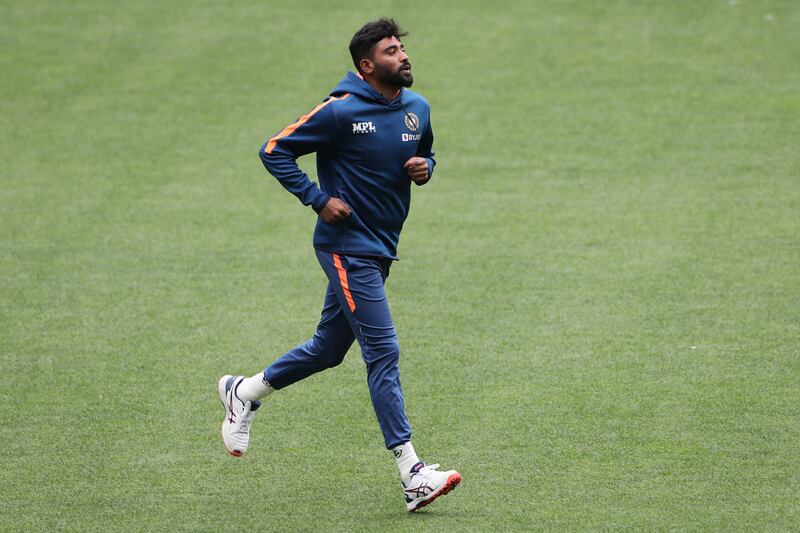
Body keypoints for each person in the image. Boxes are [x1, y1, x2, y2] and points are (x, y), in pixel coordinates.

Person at [217, 18, 461, 512]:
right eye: (392, 52)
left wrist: (425, 168)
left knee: (328, 348)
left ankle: (243, 391)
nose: (404, 56)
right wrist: (317, 198)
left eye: (403, 48)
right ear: (368, 66)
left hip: (380, 247)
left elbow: (426, 150)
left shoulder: (418, 108)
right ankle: (412, 473)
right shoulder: (340, 112)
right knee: (383, 351)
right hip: (346, 248)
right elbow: (274, 150)